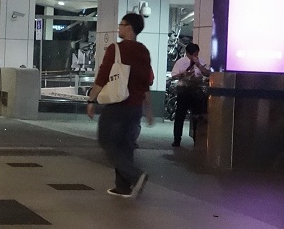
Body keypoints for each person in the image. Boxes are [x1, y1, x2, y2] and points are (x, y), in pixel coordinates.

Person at [86, 13, 154, 198]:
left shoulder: (115, 49)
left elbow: (102, 77)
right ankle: (122, 187)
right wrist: (148, 109)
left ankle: (135, 175)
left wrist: (91, 100)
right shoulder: (144, 51)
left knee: (106, 140)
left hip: (117, 105)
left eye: (122, 24)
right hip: (135, 107)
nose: (119, 27)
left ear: (129, 28)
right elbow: (147, 80)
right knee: (125, 146)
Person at [169, 42, 210, 147]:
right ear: (188, 53)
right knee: (180, 116)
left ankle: (197, 138)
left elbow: (207, 73)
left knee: (197, 116)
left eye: (197, 54)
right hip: (184, 91)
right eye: (194, 54)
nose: (195, 56)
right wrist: (182, 74)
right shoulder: (180, 62)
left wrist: (199, 66)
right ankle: (177, 139)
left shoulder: (201, 62)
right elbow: (173, 76)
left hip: (197, 92)